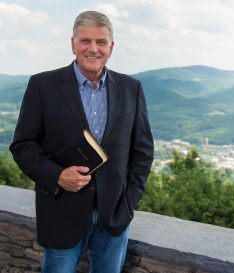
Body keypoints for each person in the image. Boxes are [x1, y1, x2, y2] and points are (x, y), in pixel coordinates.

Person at [10, 10, 154, 273]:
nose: (93, 49)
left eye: (101, 42)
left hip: (114, 215)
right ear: (73, 44)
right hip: (61, 211)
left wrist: (130, 200)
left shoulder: (131, 88)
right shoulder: (42, 86)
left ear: (111, 47)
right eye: (85, 41)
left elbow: (142, 151)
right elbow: (23, 146)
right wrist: (57, 176)